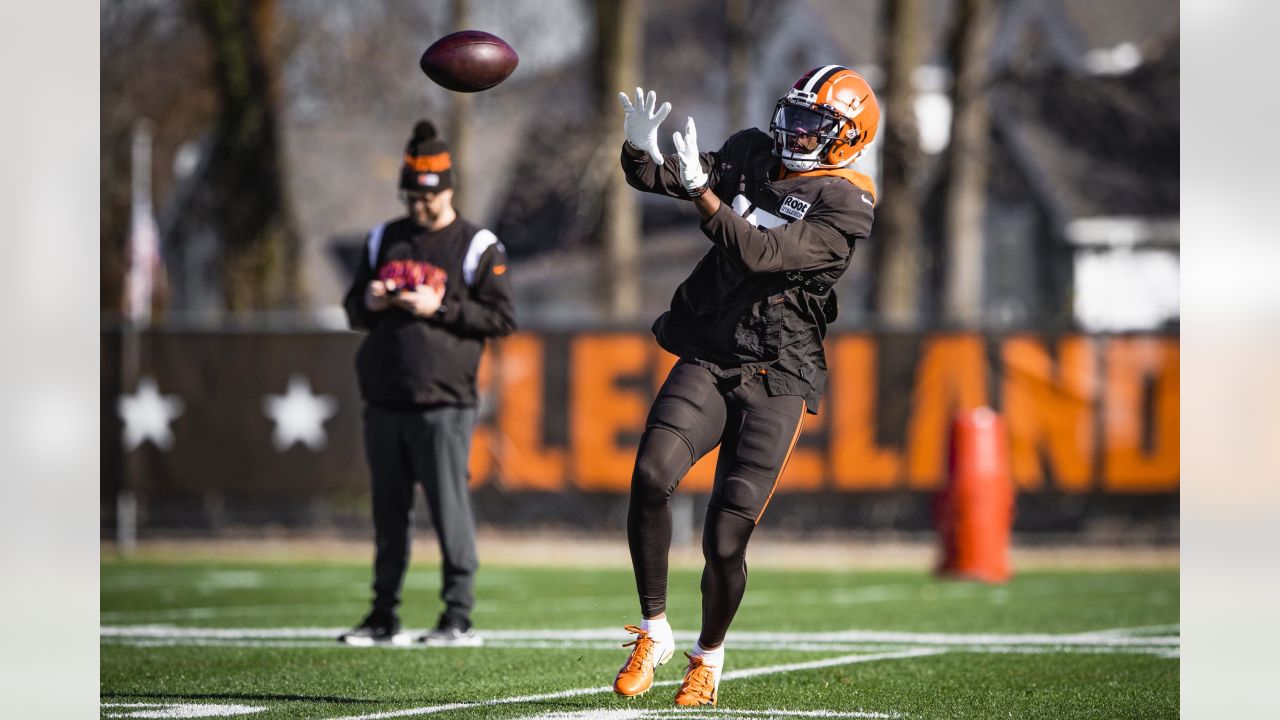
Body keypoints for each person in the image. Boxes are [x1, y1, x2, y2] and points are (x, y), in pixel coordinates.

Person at [610, 66, 880, 705]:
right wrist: (636, 147)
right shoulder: (752, 153)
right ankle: (654, 629)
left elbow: (760, 253)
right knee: (650, 476)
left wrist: (706, 196)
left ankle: (708, 655)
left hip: (779, 376)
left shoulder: (847, 200)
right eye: (797, 114)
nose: (798, 130)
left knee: (724, 539)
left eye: (817, 123)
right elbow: (661, 176)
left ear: (848, 137)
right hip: (711, 352)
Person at [339, 120, 515, 647]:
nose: (419, 206)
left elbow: (502, 318)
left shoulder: (476, 244)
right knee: (388, 515)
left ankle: (457, 615)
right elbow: (352, 307)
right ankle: (382, 615)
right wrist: (369, 302)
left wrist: (440, 306)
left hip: (444, 400)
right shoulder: (383, 238)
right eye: (412, 196)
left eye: (428, 197)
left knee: (448, 511)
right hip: (385, 396)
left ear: (449, 190)